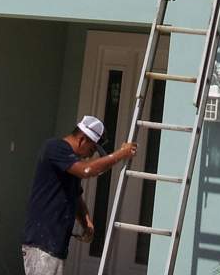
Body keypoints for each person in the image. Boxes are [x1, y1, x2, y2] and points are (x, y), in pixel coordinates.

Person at [20, 115, 137, 275]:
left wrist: (86, 222)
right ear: (83, 139)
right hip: (43, 241)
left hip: (53, 243)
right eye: (92, 149)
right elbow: (86, 170)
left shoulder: (70, 163)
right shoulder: (55, 147)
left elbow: (75, 195)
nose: (90, 155)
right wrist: (120, 155)